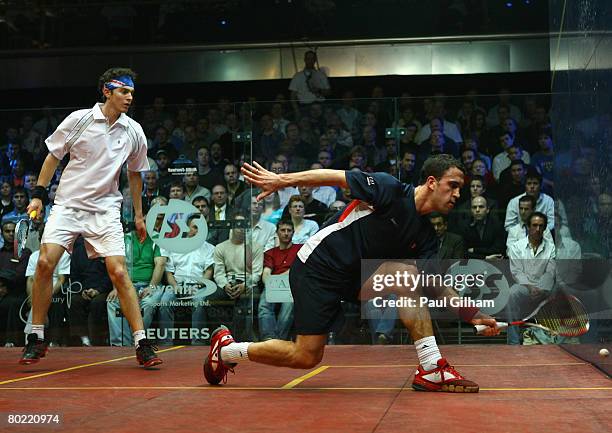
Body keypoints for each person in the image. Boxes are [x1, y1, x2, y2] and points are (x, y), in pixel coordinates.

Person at [204, 154, 499, 392]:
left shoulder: (425, 237)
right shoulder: (389, 189)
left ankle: (431, 366)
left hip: (354, 279)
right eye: (454, 185)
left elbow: (434, 283)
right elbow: (334, 175)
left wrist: (472, 314)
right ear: (432, 182)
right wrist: (282, 181)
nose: (458, 194)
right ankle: (229, 351)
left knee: (412, 276)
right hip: (316, 267)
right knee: (306, 356)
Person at [20, 67, 161, 367]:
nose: (129, 97)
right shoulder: (79, 119)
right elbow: (53, 156)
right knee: (45, 263)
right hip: (68, 205)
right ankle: (36, 336)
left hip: (105, 208)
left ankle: (142, 342)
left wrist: (138, 214)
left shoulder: (133, 130)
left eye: (132, 93)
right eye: (124, 91)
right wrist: (38, 195)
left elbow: (135, 173)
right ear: (107, 91)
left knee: (119, 272)